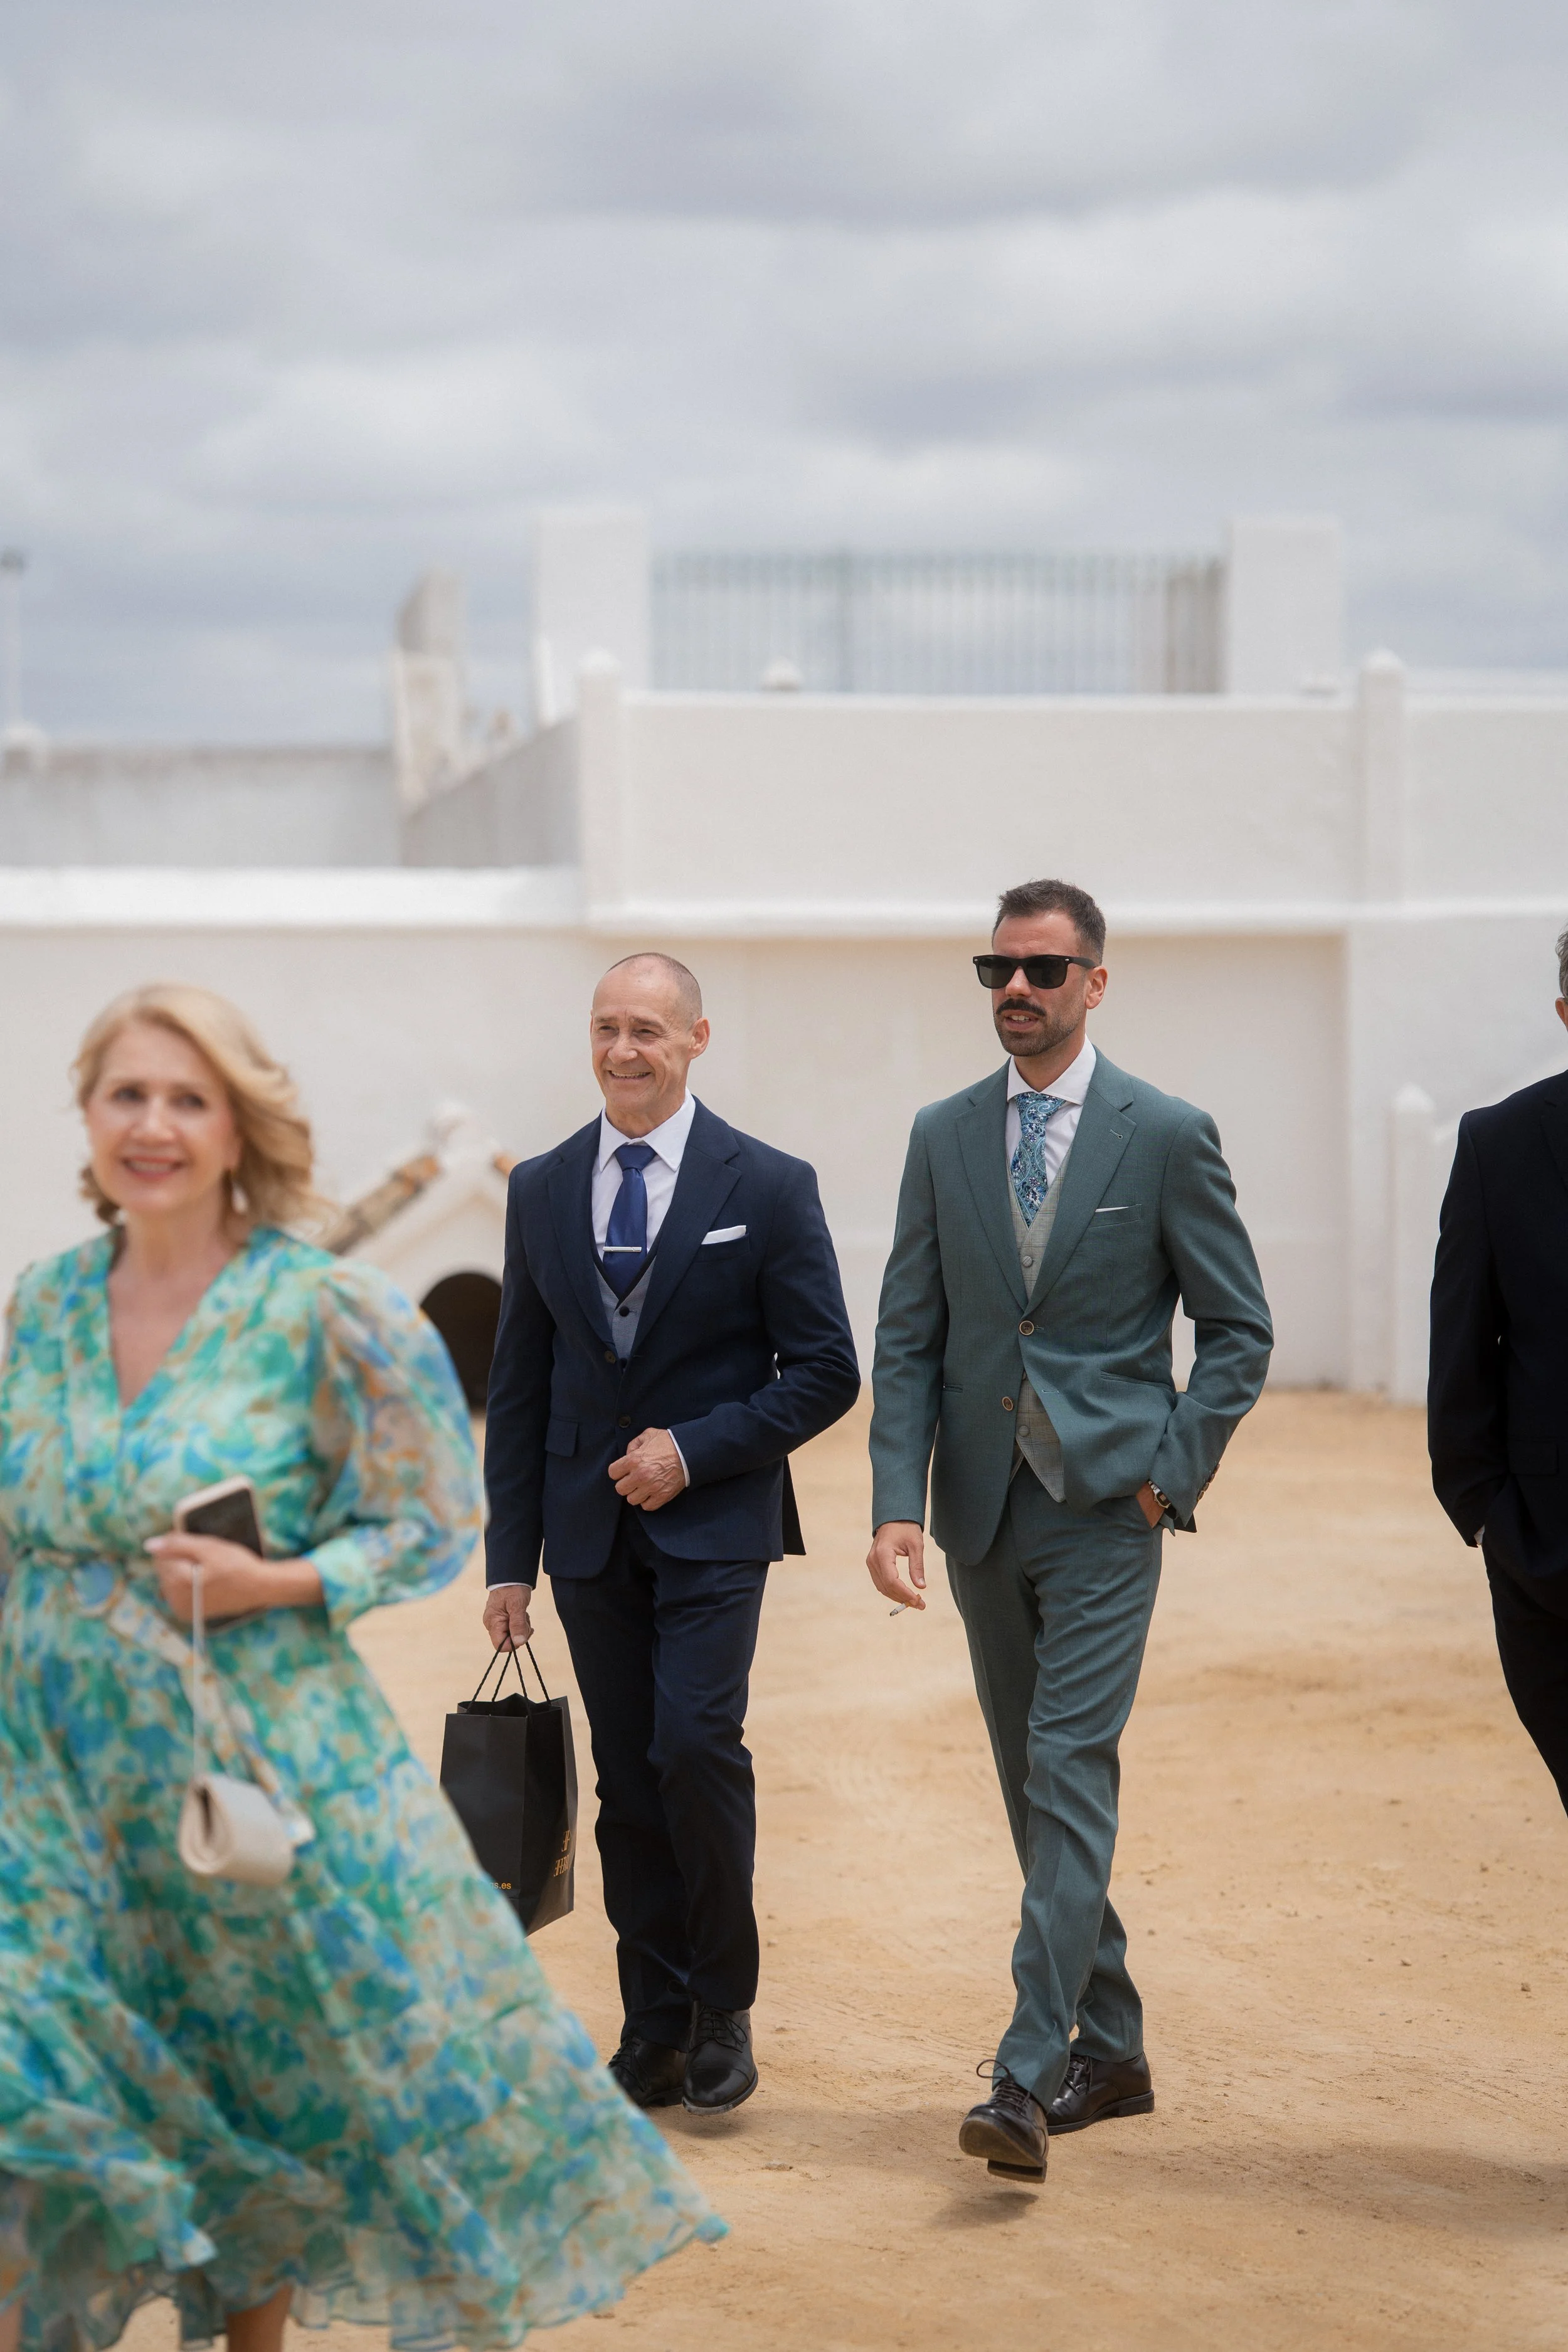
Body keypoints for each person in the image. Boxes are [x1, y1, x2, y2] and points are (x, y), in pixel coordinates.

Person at [0, 983, 719, 2352]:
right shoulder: (38, 1306)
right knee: (37, 2088)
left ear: (238, 1128)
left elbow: (425, 1515)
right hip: (48, 1779)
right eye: (126, 1096)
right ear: (88, 1118)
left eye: (186, 1099)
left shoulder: (322, 1310)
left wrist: (281, 1577)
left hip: (242, 1764)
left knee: (258, 2078)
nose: (152, 1126)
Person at [866, 877, 1273, 2182]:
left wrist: (1166, 1475)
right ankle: (1117, 2044)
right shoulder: (939, 1135)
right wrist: (891, 1502)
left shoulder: (1162, 1133)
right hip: (981, 1509)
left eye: (1043, 970)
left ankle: (1027, 2070)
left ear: (1093, 982)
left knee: (1068, 1769)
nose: (1016, 990)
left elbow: (1237, 1329)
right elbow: (910, 1331)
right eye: (998, 969)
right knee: (1028, 1788)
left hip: (1105, 1511)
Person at [482, 953, 859, 2118]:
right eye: (605, 1027)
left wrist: (692, 1449)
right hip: (587, 1535)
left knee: (697, 1748)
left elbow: (830, 1371)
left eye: (647, 1028)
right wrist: (510, 1561)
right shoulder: (542, 1186)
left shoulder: (773, 1183)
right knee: (626, 1781)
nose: (622, 1049)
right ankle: (652, 2024)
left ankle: (723, 2007)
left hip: (715, 1526)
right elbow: (521, 1382)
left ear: (698, 1037)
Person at [1429, 923, 1568, 1810]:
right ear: (1565, 1011)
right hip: (1552, 1568)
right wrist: (1492, 1519)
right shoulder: (1499, 1146)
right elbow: (1460, 1353)